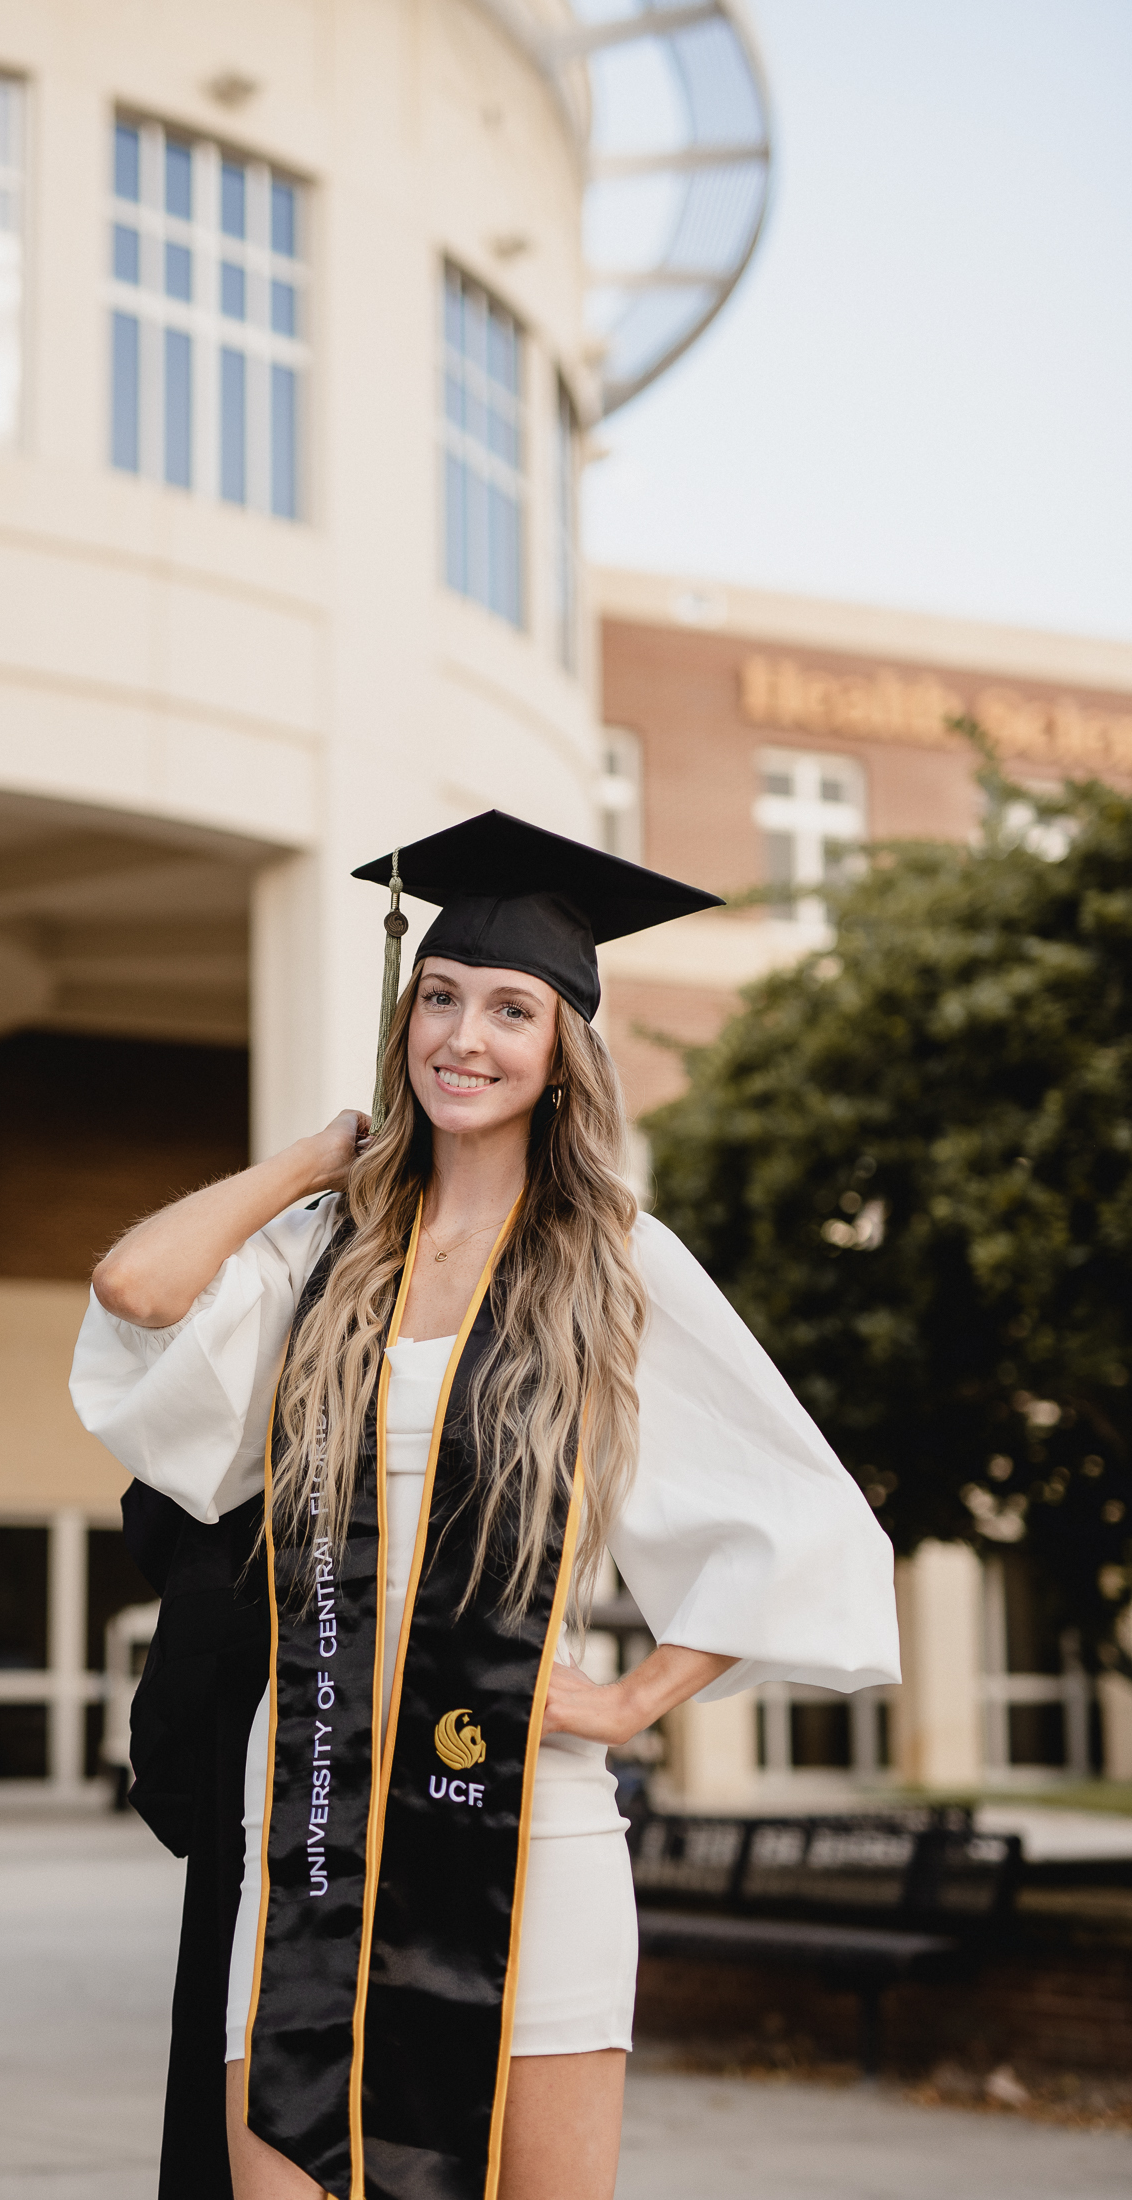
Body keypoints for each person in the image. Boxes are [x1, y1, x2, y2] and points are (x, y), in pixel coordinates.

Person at [70, 812, 900, 2200]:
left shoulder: (612, 1262)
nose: (465, 1036)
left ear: (562, 1047)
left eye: (511, 1009)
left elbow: (799, 1513)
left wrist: (636, 1700)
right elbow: (136, 1293)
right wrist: (310, 1164)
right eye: (439, 999)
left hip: (527, 1819)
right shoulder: (326, 1248)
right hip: (313, 1811)